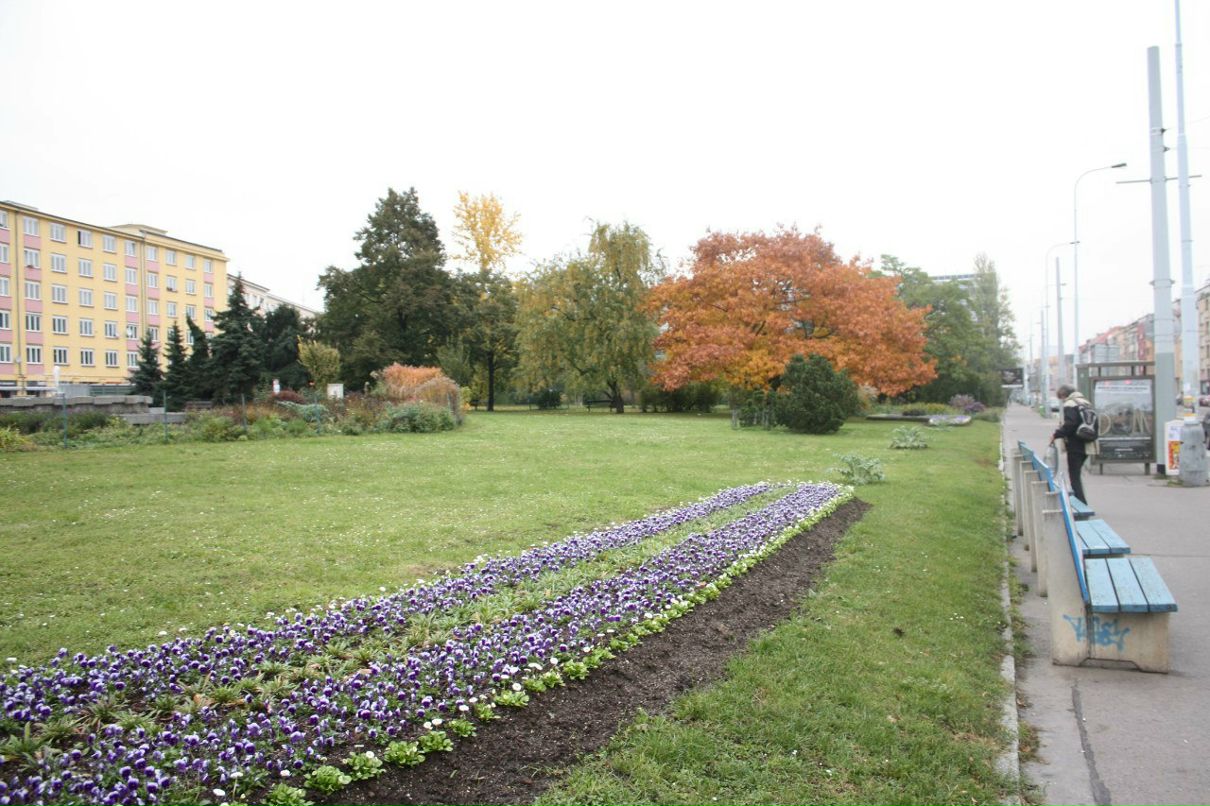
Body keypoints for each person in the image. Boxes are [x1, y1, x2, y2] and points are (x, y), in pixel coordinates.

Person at [1049, 384, 1094, 504]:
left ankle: (1081, 503)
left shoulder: (1070, 404)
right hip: (1087, 443)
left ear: (1064, 395)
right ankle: (1080, 501)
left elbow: (1070, 424)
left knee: (1074, 476)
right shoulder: (1085, 402)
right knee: (1076, 474)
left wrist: (1056, 434)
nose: (1062, 400)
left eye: (1061, 398)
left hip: (1075, 444)